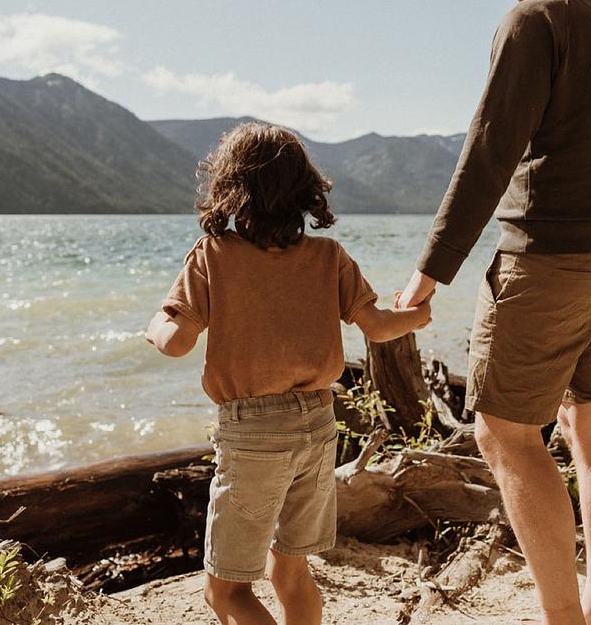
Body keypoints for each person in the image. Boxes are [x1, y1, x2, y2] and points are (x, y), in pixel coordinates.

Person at [398, 0, 591, 625]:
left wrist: (427, 273)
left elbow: (488, 152)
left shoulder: (531, 18)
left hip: (550, 260)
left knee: (505, 433)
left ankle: (562, 619)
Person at [147, 122, 432, 625]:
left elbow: (176, 343)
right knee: (291, 572)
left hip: (253, 432)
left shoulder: (214, 255)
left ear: (230, 190)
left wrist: (156, 324)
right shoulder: (329, 257)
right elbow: (380, 328)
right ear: (304, 191)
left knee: (226, 592)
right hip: (319, 426)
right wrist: (418, 314)